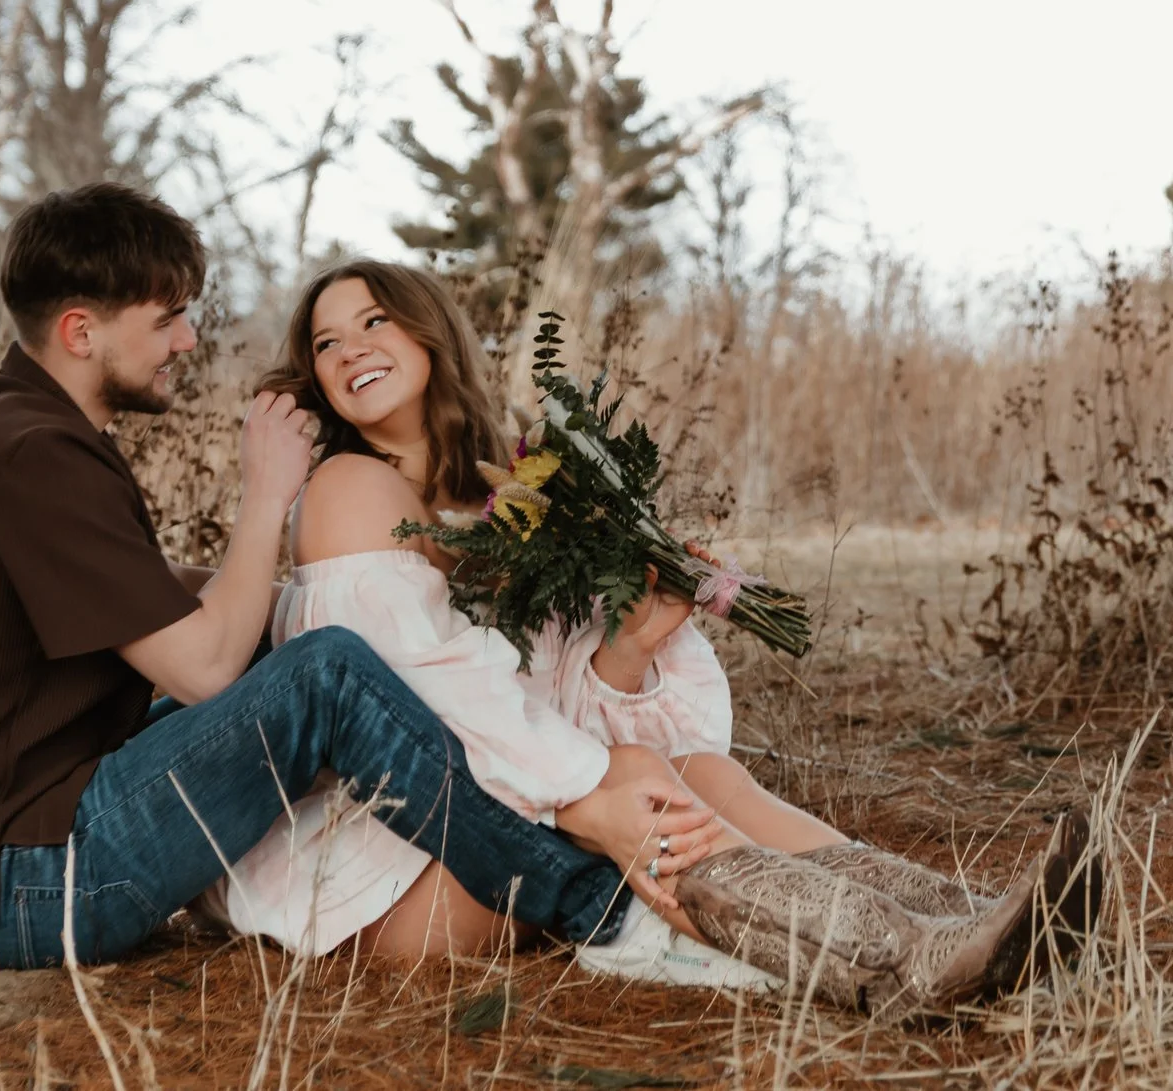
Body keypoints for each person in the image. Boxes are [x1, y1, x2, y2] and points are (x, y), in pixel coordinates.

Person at [200, 260, 1099, 1018]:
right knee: (630, 774)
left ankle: (972, 918)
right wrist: (592, 795)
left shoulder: (510, 486)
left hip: (495, 821)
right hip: (394, 864)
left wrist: (628, 647)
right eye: (326, 342)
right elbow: (433, 701)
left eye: (373, 321)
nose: (350, 348)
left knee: (697, 770)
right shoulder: (347, 489)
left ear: (428, 331)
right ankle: (909, 960)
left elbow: (550, 705)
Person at [0, 185, 710, 969]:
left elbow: (150, 591)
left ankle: (567, 823)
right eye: (167, 319)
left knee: (310, 644)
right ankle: (604, 906)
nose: (188, 340)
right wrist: (268, 494)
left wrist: (351, 587)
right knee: (325, 672)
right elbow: (204, 669)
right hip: (22, 888)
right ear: (81, 331)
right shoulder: (34, 453)